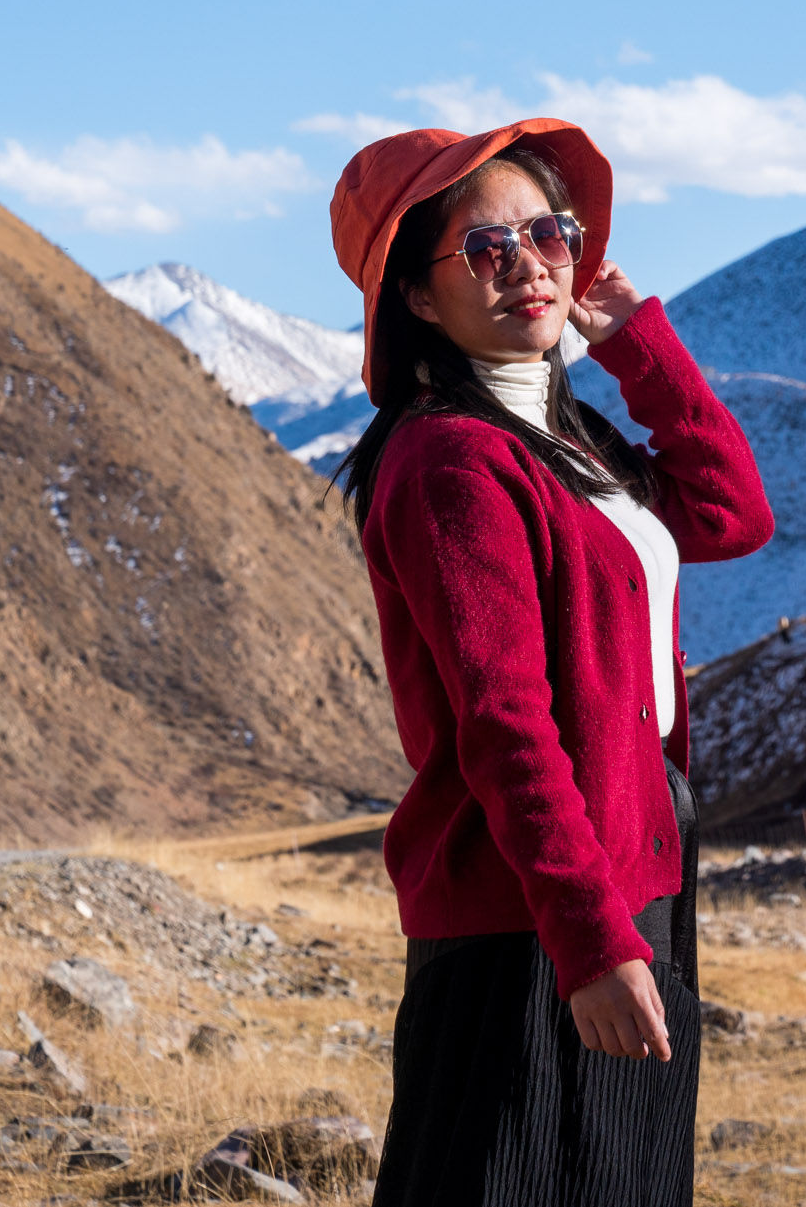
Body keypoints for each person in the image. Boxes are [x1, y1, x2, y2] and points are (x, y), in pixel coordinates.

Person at [329, 118, 774, 1205]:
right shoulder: (451, 459)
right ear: (420, 299)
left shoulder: (566, 442)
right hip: (527, 915)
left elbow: (732, 515)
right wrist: (588, 944)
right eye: (486, 248)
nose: (528, 262)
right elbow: (504, 723)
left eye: (548, 232)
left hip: (628, 883)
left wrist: (638, 346)